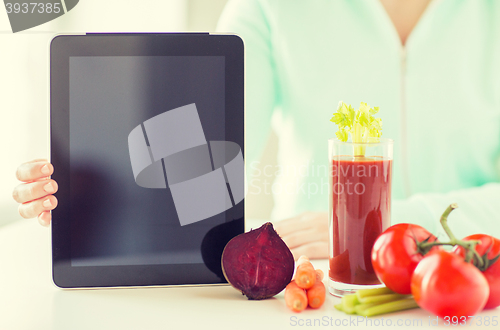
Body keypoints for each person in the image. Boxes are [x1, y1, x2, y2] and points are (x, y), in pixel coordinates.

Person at [13, 0, 500, 259]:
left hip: (475, 281)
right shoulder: (271, 5)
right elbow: (200, 168)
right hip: (314, 284)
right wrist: (101, 187)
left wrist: (393, 225)